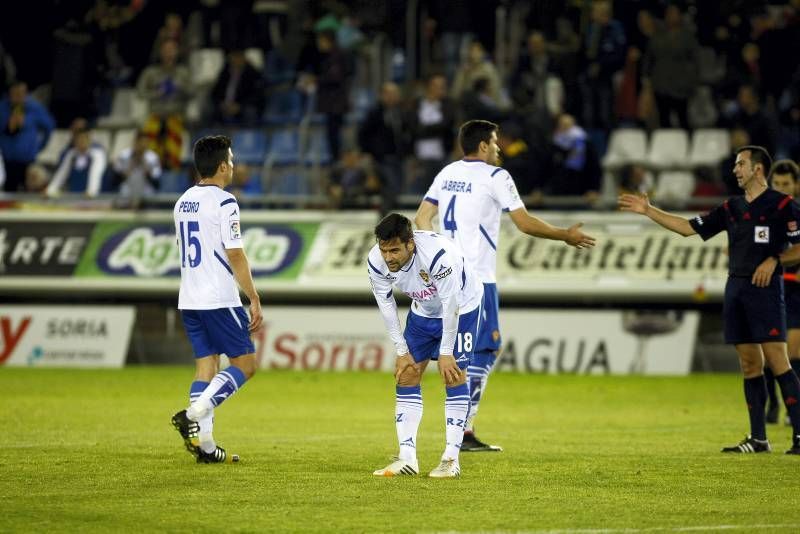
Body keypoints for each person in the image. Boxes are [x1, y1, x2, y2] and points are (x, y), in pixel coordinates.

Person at [415, 120, 596, 451]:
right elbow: (524, 223)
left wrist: (434, 256)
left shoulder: (446, 173)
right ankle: (461, 432)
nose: (500, 149)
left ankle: (463, 431)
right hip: (478, 280)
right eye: (496, 143)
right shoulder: (497, 177)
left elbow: (421, 219)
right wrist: (565, 235)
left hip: (448, 276)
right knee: (481, 349)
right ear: (483, 146)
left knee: (470, 350)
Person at [619, 146, 800, 455]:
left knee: (777, 361)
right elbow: (688, 228)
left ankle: (798, 436)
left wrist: (775, 260)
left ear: (758, 169)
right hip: (737, 289)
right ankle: (759, 439)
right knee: (749, 364)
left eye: (741, 164)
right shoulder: (731, 207)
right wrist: (650, 211)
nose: (735, 169)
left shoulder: (784, 205)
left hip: (766, 291)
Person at [170, 135, 263, 464]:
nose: (234, 166)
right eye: (232, 161)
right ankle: (192, 414)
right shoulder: (225, 203)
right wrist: (252, 296)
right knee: (245, 365)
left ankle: (206, 448)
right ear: (222, 166)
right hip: (219, 298)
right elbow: (235, 253)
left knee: (206, 367)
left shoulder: (182, 201)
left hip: (190, 298)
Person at [368, 213, 483, 478]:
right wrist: (401, 350)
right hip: (423, 312)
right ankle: (407, 458)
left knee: (454, 376)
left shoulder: (438, 255)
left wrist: (445, 352)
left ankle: (451, 459)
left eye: (395, 250)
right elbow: (386, 304)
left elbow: (451, 304)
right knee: (406, 374)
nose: (388, 257)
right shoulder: (376, 261)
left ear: (411, 244)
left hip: (462, 308)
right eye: (384, 250)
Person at [765, 159, 800, 425]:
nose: (781, 188)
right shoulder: (765, 211)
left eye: (785, 184)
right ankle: (774, 405)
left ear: (796, 185)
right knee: (769, 353)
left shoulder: (796, 212)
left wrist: (775, 259)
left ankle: (793, 410)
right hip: (771, 286)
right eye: (776, 183)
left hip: (795, 290)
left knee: (794, 352)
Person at [0, 81, 54, 192]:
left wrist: (39, 146)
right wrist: (8, 125)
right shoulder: (2, 108)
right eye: (16, 93)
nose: (19, 97)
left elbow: (49, 127)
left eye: (22, 93)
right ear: (10, 94)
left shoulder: (35, 108)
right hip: (6, 161)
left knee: (30, 192)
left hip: (28, 160)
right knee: (9, 192)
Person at [45, 128, 107, 197]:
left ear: (89, 140)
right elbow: (62, 173)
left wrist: (91, 191)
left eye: (84, 139)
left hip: (95, 195)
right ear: (75, 141)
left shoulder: (97, 154)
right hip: (74, 194)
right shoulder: (71, 154)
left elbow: (95, 173)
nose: (81, 142)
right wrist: (50, 189)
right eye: (78, 140)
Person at [112, 130, 162, 207]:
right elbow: (114, 182)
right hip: (126, 192)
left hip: (146, 195)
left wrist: (147, 171)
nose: (143, 145)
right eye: (140, 142)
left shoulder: (153, 158)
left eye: (145, 142)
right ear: (135, 142)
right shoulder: (124, 155)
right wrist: (128, 169)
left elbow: (157, 184)